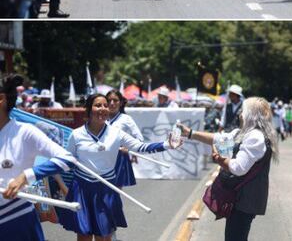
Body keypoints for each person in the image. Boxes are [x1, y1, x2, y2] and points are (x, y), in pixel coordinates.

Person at [57, 93, 176, 240]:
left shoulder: (116, 133)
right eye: (98, 105)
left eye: (105, 105)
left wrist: (166, 145)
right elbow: (67, 162)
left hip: (106, 189)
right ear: (89, 109)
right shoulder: (76, 134)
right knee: (83, 236)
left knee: (104, 236)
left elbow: (140, 146)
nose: (103, 108)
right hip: (82, 189)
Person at [178, 96, 279, 241]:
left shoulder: (255, 137)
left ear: (250, 115)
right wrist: (190, 133)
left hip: (245, 199)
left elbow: (238, 168)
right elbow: (218, 138)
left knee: (235, 237)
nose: (239, 114)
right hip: (240, 196)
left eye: (243, 111)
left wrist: (218, 158)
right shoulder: (244, 132)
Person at [0, 73, 78, 240]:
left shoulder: (24, 132)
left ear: (1, 99)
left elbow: (68, 159)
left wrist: (26, 176)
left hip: (17, 219)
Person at [105, 89, 143, 187]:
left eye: (115, 100)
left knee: (115, 189)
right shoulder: (101, 117)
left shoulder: (126, 119)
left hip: (118, 157)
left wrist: (129, 148)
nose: (112, 103)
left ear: (121, 103)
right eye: (109, 100)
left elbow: (139, 138)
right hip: (101, 155)